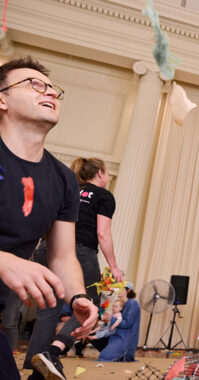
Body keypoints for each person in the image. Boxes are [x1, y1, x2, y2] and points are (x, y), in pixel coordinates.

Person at [0, 56, 97, 380]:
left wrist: (78, 296)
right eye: (34, 85)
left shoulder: (63, 180)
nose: (50, 92)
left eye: (53, 88)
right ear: (2, 99)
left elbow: (62, 255)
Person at [27, 156, 121, 378]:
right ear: (100, 173)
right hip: (78, 251)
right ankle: (53, 351)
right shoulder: (104, 196)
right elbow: (102, 233)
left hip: (46, 249)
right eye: (107, 173)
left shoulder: (67, 188)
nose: (107, 177)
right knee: (91, 304)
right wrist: (114, 267)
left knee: (48, 309)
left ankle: (36, 370)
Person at [97, 282, 140, 361]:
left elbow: (127, 323)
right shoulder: (124, 304)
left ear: (128, 290)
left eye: (121, 288)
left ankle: (119, 355)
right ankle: (110, 350)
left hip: (125, 339)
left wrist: (111, 319)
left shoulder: (133, 303)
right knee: (93, 333)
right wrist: (107, 321)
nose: (118, 290)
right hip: (115, 336)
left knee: (103, 357)